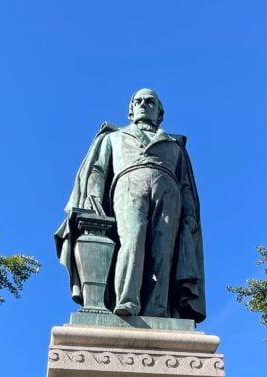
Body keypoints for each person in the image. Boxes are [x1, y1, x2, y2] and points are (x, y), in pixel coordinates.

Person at [55, 89, 206, 321]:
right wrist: (93, 195)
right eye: (139, 101)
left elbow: (185, 184)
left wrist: (190, 214)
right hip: (128, 186)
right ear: (131, 111)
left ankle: (157, 309)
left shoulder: (175, 144)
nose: (144, 104)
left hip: (168, 193)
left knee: (163, 250)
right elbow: (97, 168)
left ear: (160, 113)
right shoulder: (113, 137)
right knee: (132, 239)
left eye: (150, 102)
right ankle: (126, 300)